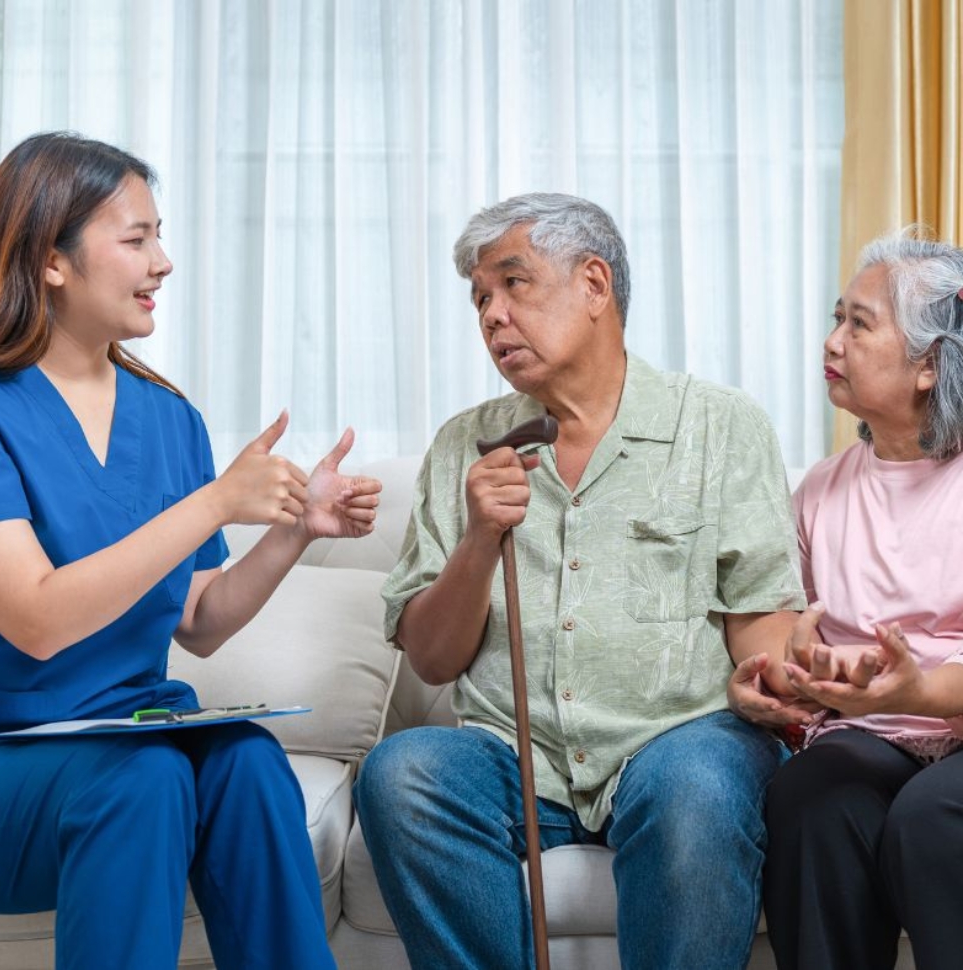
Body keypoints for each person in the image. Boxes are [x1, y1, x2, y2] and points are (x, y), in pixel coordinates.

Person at [354, 192, 811, 970]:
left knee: (697, 786)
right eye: (479, 300)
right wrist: (478, 537)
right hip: (514, 756)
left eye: (513, 283)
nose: (492, 315)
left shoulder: (721, 425)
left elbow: (761, 636)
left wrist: (769, 684)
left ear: (595, 285)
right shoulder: (465, 444)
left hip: (679, 742)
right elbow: (431, 660)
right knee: (402, 772)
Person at [0, 132, 381, 970]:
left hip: (132, 739)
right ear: (50, 260)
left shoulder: (170, 419)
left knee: (244, 761)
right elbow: (33, 618)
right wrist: (216, 500)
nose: (162, 261)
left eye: (159, 234)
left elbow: (198, 618)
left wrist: (292, 532)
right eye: (135, 239)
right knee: (145, 779)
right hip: (11, 763)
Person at [758, 230, 963, 970]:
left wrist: (918, 688)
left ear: (930, 366)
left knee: (932, 819)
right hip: (868, 735)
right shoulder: (820, 488)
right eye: (835, 318)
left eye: (858, 323)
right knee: (811, 800)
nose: (832, 340)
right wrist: (791, 678)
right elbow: (790, 638)